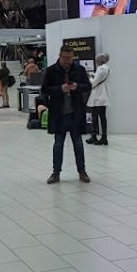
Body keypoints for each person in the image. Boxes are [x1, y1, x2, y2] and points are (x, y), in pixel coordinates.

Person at [42, 46, 92, 183]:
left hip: (76, 113)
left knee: (78, 143)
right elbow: (44, 89)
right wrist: (60, 89)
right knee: (58, 144)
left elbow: (88, 86)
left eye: (70, 58)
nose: (67, 60)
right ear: (59, 56)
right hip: (59, 114)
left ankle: (82, 171)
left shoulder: (79, 69)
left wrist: (77, 87)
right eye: (64, 57)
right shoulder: (51, 70)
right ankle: (56, 173)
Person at [86, 54, 110, 146]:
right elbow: (99, 78)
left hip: (97, 96)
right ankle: (104, 136)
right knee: (102, 116)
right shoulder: (108, 69)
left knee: (95, 116)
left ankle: (94, 136)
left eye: (97, 60)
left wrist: (88, 77)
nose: (96, 62)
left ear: (100, 60)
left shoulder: (100, 69)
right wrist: (93, 75)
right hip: (104, 95)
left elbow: (94, 82)